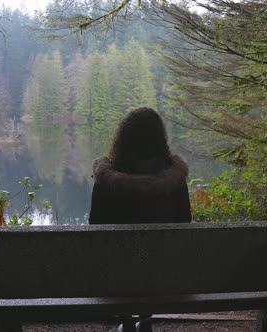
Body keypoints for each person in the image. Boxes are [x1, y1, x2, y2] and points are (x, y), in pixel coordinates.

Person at [88, 107, 192, 332]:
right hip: (164, 279)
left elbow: (94, 231)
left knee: (116, 260)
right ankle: (145, 319)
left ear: (122, 137)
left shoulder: (106, 183)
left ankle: (127, 322)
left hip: (115, 281)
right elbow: (185, 224)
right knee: (156, 259)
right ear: (160, 139)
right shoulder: (175, 182)